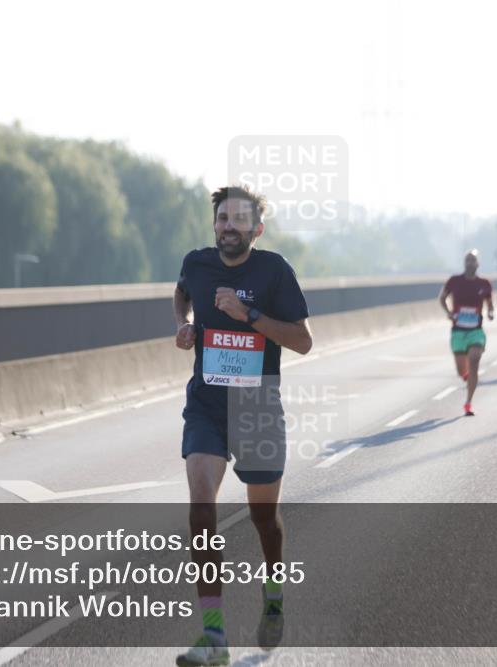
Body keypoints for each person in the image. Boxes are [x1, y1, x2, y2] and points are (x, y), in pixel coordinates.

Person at [173, 185, 313, 666]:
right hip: (208, 407)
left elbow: (303, 341)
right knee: (200, 510)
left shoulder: (274, 271)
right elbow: (181, 293)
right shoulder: (197, 262)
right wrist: (185, 324)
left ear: (258, 228)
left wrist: (248, 314)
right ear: (214, 225)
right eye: (222, 218)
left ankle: (273, 593)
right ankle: (214, 638)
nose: (228, 226)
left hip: (257, 410)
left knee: (264, 522)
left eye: (239, 219)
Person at [438, 251, 494, 416]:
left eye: (473, 260)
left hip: (476, 330)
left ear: (478, 264)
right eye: (467, 260)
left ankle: (468, 403)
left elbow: (489, 303)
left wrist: (490, 312)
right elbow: (442, 298)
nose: (470, 263)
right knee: (462, 371)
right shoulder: (454, 281)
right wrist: (448, 312)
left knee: (475, 360)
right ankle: (468, 378)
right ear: (464, 263)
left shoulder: (484, 283)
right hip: (458, 331)